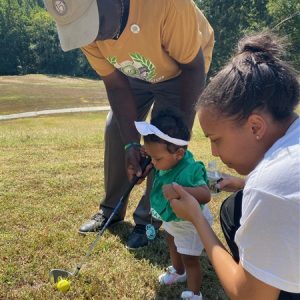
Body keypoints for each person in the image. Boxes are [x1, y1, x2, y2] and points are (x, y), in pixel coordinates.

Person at [43, 0, 214, 249]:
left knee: (161, 142)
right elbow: (115, 85)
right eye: (83, 29)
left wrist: (176, 138)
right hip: (136, 71)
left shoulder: (167, 5)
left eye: (96, 24)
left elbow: (193, 68)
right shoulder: (84, 28)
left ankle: (149, 218)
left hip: (182, 70)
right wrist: (131, 144)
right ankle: (110, 209)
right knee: (117, 129)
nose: (93, 36)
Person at [164, 32, 300, 299]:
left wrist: (197, 218)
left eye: (216, 139)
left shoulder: (268, 187)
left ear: (255, 126)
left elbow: (247, 296)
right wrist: (242, 183)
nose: (214, 151)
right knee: (233, 208)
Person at [135, 109, 212, 300]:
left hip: (191, 223)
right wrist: (151, 157)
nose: (153, 162)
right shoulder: (167, 158)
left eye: (157, 158)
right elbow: (157, 157)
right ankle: (178, 271)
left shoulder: (191, 169)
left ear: (179, 153)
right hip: (173, 218)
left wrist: (180, 191)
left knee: (190, 259)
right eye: (151, 156)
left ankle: (195, 293)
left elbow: (205, 194)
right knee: (171, 240)